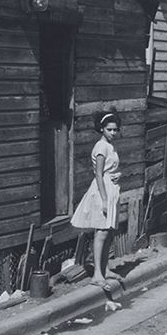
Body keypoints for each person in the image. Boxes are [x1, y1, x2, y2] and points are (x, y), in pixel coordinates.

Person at [70, 110, 124, 286]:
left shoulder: (110, 146)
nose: (113, 133)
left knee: (108, 232)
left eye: (115, 130)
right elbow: (99, 175)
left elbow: (110, 170)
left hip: (111, 187)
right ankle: (97, 274)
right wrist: (104, 200)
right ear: (102, 129)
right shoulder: (101, 147)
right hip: (102, 191)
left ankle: (106, 268)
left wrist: (118, 175)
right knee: (101, 232)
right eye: (110, 130)